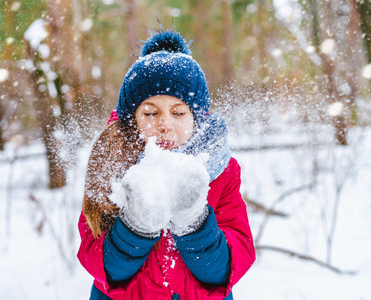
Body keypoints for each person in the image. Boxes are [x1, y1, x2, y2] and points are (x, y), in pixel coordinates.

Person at [78, 30, 255, 300]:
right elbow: (103, 267)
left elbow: (226, 269)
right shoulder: (112, 165)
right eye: (150, 113)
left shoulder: (222, 171)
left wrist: (193, 222)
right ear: (131, 119)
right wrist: (137, 225)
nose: (164, 125)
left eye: (178, 112)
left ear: (197, 118)